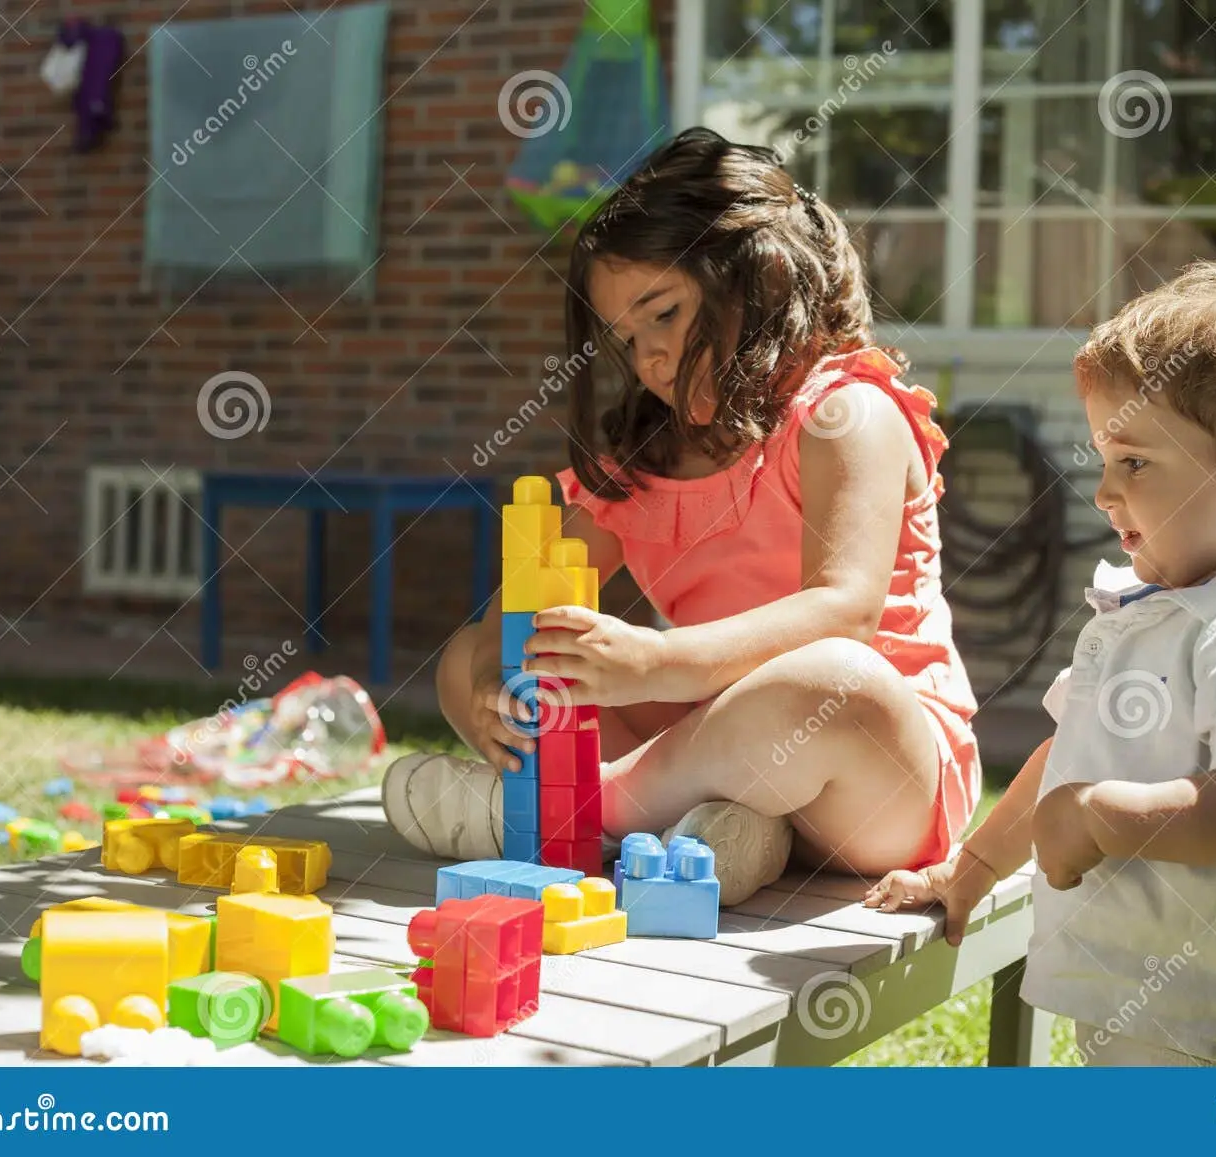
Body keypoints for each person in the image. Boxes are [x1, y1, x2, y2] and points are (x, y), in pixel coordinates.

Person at [384, 127, 980, 905]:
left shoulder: (845, 413)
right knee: (470, 653)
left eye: (662, 314)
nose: (649, 360)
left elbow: (847, 613)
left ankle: (566, 817)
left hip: (876, 777)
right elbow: (517, 626)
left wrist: (653, 664)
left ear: (756, 276)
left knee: (832, 678)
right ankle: (703, 834)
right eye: (627, 339)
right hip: (721, 774)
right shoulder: (643, 463)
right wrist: (491, 694)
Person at [866, 257, 1216, 1066]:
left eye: (1133, 462)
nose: (1103, 492)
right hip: (1142, 989)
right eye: (1103, 459)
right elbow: (1072, 754)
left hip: (1214, 1015)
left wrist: (1102, 813)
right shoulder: (1160, 605)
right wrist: (977, 862)